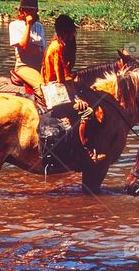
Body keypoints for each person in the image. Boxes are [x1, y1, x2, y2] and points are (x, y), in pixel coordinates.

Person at [41, 14, 106, 165]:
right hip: (56, 91)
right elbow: (61, 79)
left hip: (56, 86)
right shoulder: (58, 48)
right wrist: (76, 98)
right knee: (87, 111)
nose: (73, 35)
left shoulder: (56, 44)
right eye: (72, 31)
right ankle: (85, 150)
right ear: (66, 31)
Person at [8, 0, 47, 86]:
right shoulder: (14, 25)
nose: (29, 12)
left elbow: (43, 49)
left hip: (39, 64)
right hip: (24, 66)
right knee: (40, 87)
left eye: (31, 10)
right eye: (26, 10)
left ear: (36, 11)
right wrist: (28, 25)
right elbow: (23, 45)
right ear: (21, 10)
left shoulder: (39, 27)